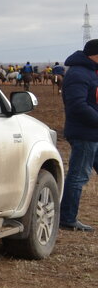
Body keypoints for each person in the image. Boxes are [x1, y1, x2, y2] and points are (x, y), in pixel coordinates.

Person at [59, 39, 98, 231]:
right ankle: (67, 218)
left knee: (78, 175)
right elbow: (77, 106)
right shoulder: (78, 74)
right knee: (78, 177)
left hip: (94, 133)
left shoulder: (90, 72)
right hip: (84, 133)